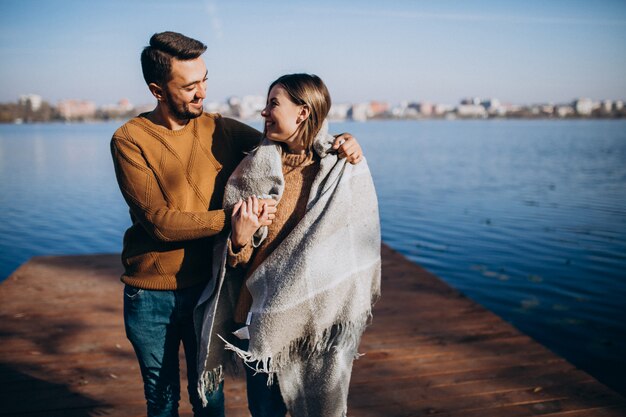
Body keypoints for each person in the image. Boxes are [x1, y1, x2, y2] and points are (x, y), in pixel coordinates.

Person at [111, 32, 363, 417]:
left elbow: (293, 141)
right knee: (161, 400)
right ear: (157, 89)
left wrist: (342, 141)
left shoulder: (220, 129)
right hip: (152, 294)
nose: (202, 93)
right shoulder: (130, 140)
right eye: (190, 86)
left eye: (205, 80)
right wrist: (234, 220)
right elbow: (159, 224)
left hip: (207, 291)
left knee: (209, 398)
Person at [195, 74, 381, 417]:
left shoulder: (339, 169)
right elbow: (237, 262)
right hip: (261, 320)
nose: (264, 112)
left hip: (315, 321)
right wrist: (238, 239)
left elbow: (353, 242)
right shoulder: (251, 171)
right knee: (265, 413)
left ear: (303, 112)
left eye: (273, 104)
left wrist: (350, 142)